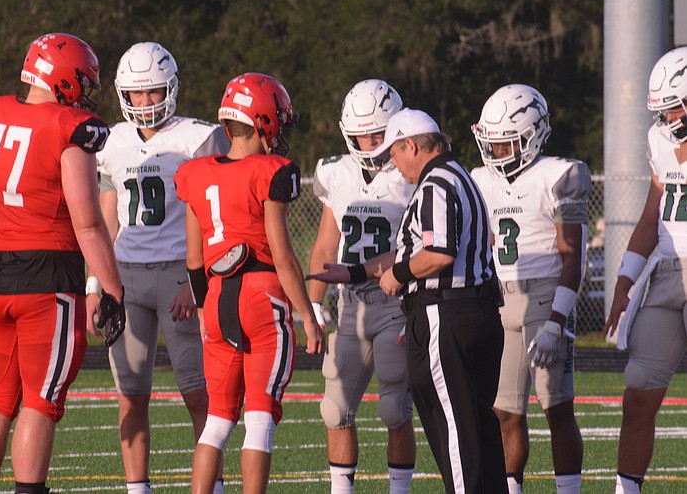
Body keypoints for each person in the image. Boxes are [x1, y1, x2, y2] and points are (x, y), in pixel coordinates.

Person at [309, 108, 507, 494]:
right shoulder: (460, 176)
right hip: (475, 310)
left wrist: (398, 276)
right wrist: (354, 272)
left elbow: (438, 254)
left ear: (412, 146)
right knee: (479, 430)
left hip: (446, 314)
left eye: (394, 153)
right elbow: (410, 251)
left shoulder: (436, 183)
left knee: (455, 432)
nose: (393, 164)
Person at [0, 32, 125, 494]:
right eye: (83, 82)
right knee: (41, 401)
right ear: (65, 79)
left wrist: (4, 248)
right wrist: (113, 288)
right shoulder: (66, 125)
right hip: (47, 277)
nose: (86, 94)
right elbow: (88, 223)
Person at [175, 72, 325, 494]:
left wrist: (203, 309)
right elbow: (284, 257)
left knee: (217, 420)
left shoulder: (194, 173)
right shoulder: (271, 170)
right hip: (262, 296)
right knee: (259, 418)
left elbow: (194, 259)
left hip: (216, 297)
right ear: (264, 122)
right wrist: (308, 316)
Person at [92, 41, 229, 493]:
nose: (146, 101)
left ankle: (213, 487)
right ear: (123, 94)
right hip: (126, 277)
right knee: (130, 396)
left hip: (178, 274)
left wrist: (198, 280)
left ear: (170, 89)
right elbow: (106, 218)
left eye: (154, 91)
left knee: (198, 394)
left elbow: (213, 217)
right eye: (138, 92)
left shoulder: (198, 138)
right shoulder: (111, 141)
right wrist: (96, 283)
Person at [471, 84, 588, 494]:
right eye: (494, 143)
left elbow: (572, 256)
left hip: (545, 295)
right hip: (498, 296)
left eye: (508, 143)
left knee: (557, 406)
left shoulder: (559, 175)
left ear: (534, 134)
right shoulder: (479, 179)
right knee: (504, 410)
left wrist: (557, 320)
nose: (498, 152)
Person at [307, 79, 417, 493]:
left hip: (395, 302)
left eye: (377, 133)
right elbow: (325, 244)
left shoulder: (411, 173)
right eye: (361, 134)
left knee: (394, 408)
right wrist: (314, 308)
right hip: (349, 305)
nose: (369, 143)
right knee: (335, 410)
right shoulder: (337, 172)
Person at [604, 45, 687, 494]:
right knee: (638, 392)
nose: (667, 119)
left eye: (674, 109)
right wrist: (624, 281)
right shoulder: (658, 139)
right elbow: (653, 213)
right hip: (665, 274)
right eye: (663, 110)